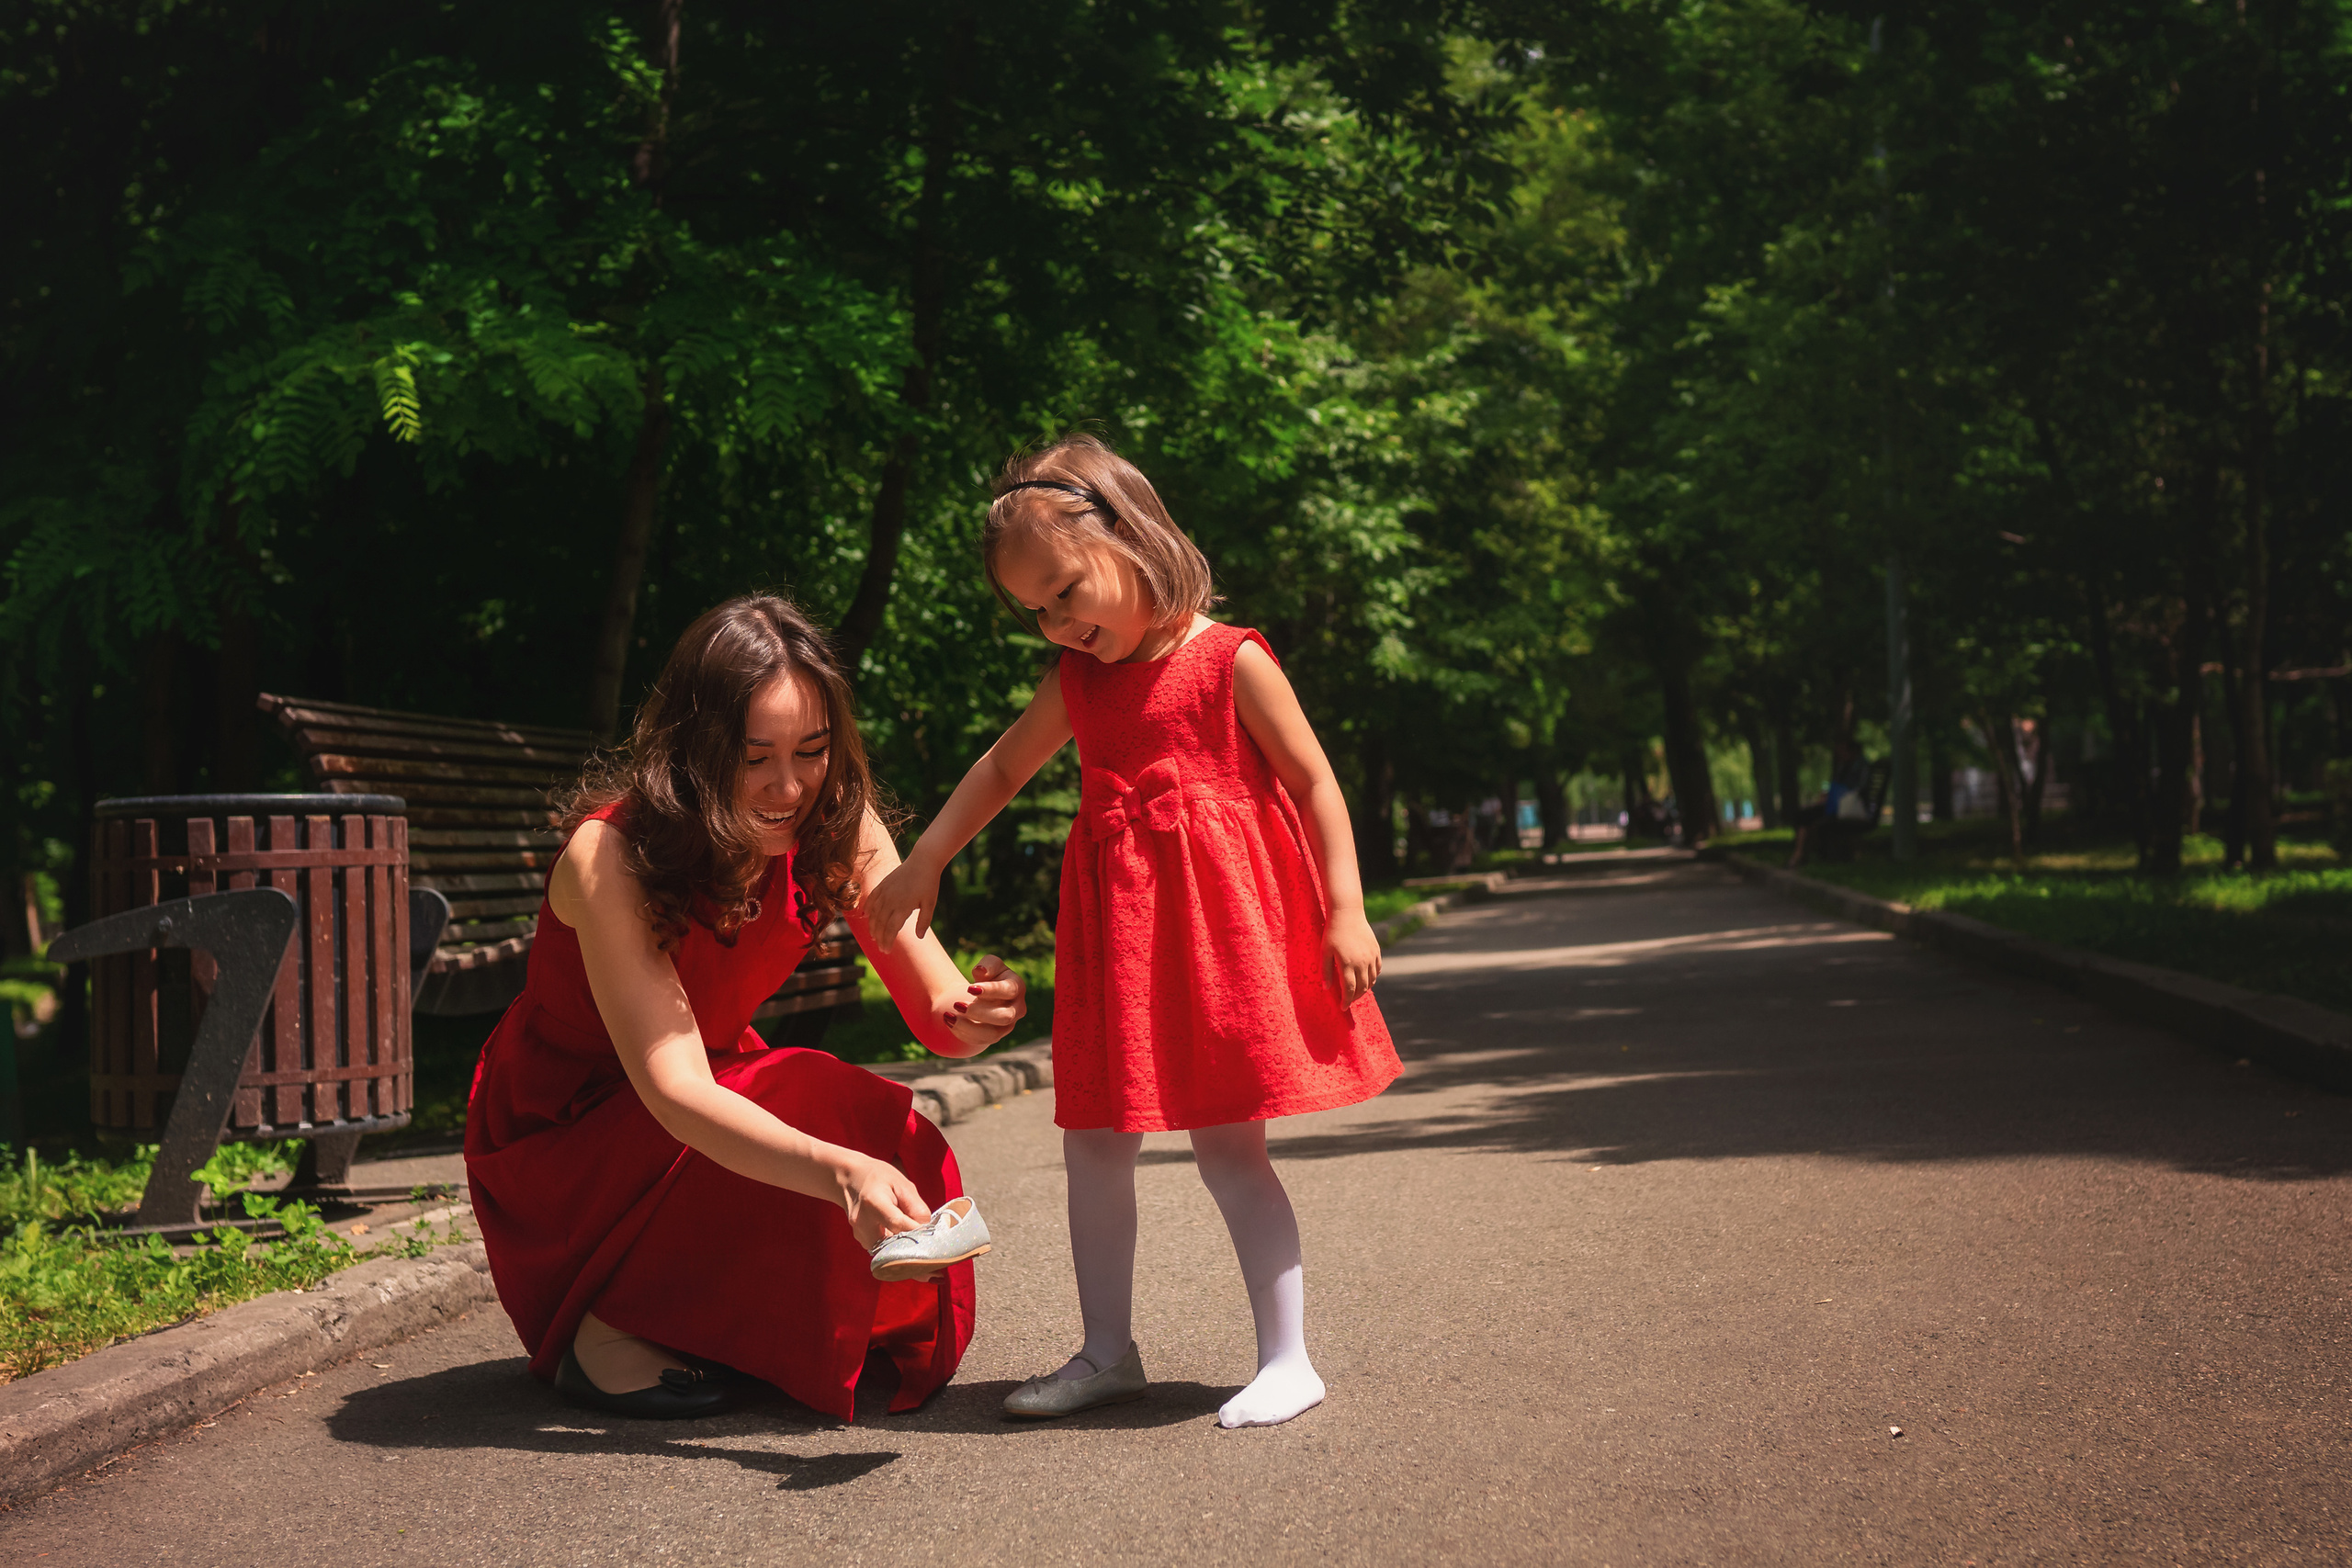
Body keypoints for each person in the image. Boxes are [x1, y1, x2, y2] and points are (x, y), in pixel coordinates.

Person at [863, 434, 1401, 1429]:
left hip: (1216, 945)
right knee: (1094, 1144)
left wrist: (1347, 907)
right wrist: (925, 855)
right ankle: (1106, 1351)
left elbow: (1315, 780)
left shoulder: (1227, 659)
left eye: (1067, 592)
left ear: (1132, 534)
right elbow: (999, 769)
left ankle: (1288, 1357)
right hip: (1119, 947)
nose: (1058, 623)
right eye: (1036, 611)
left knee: (1228, 1149)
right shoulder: (1079, 684)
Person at [464, 595, 1026, 1422]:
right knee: (821, 1109)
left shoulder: (837, 821)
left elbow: (935, 1007)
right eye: (754, 755)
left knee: (872, 1125)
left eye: (812, 752)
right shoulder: (610, 855)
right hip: (571, 1140)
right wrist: (841, 1175)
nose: (789, 786)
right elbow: (674, 1088)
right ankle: (607, 1322)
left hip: (706, 1092)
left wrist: (977, 1010)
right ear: (695, 748)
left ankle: (716, 1320)